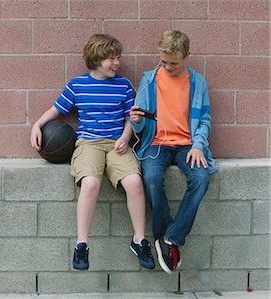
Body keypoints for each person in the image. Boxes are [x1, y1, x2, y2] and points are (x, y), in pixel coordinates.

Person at [30, 34, 155, 271]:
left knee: (135, 182)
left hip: (117, 143)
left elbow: (131, 117)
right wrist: (37, 124)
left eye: (118, 57)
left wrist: (125, 137)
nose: (117, 62)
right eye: (111, 58)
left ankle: (140, 240)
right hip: (89, 143)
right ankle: (82, 245)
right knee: (90, 184)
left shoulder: (124, 85)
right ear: (96, 59)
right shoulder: (78, 85)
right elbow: (57, 109)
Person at [129, 30, 218, 274]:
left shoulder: (197, 82)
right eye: (163, 61)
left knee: (201, 177)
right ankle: (164, 235)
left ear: (186, 56)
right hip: (156, 143)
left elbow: (205, 119)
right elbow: (139, 126)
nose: (167, 67)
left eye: (173, 63)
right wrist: (136, 120)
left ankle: (171, 238)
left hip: (188, 144)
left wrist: (198, 145)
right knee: (151, 178)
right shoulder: (149, 80)